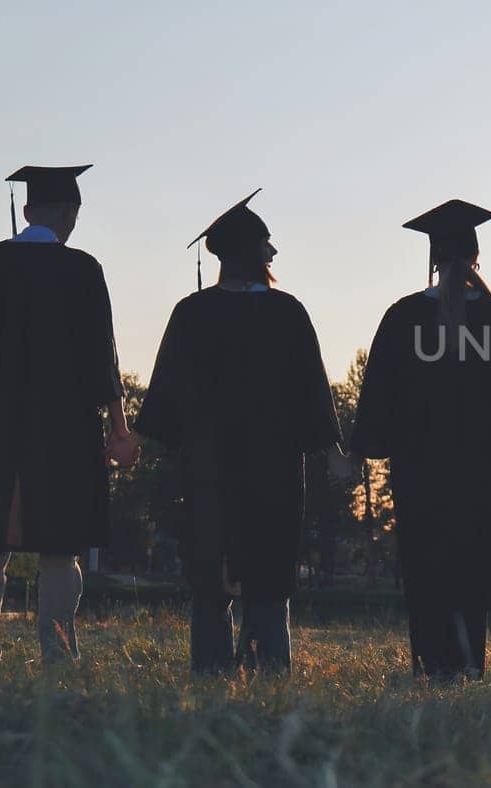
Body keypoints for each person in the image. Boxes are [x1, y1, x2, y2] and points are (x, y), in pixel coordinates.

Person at [347, 200, 491, 681]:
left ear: (433, 257)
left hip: (419, 471)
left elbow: (377, 395)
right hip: (481, 472)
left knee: (426, 567)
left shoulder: (403, 317)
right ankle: (470, 666)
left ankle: (428, 667)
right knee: (472, 570)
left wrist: (358, 451)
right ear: (476, 255)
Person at [134, 191, 342, 675]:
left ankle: (210, 668)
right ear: (257, 254)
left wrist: (138, 442)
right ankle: (268, 666)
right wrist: (332, 453)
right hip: (274, 465)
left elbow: (164, 389)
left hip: (209, 466)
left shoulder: (192, 313)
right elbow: (313, 389)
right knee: (269, 569)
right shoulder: (287, 312)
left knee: (211, 568)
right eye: (268, 246)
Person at [0, 164, 139, 665]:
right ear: (71, 214)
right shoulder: (81, 269)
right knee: (61, 546)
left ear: (27, 210)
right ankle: (58, 651)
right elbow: (104, 360)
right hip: (64, 429)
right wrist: (119, 430)